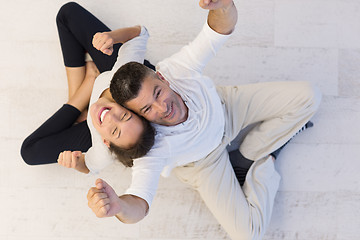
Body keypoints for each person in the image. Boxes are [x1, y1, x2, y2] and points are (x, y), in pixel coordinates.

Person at [86, 0, 322, 239]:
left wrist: (224, 6)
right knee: (249, 234)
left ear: (162, 78)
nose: (163, 108)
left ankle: (248, 155)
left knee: (310, 97)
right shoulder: (153, 148)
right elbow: (140, 201)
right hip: (204, 163)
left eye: (158, 93)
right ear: (139, 116)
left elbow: (216, 31)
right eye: (148, 109)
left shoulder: (177, 69)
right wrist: (119, 207)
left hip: (226, 108)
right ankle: (265, 162)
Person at [20, 2, 155, 173]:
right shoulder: (125, 79)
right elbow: (140, 34)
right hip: (115, 77)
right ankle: (85, 96)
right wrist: (113, 37)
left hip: (101, 127)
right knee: (67, 13)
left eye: (114, 130)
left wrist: (76, 164)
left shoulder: (104, 149)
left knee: (30, 153)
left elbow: (89, 167)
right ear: (131, 108)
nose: (111, 117)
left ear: (106, 143)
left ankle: (88, 85)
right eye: (124, 115)